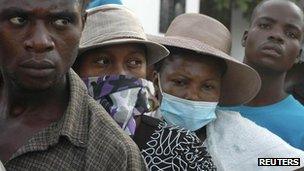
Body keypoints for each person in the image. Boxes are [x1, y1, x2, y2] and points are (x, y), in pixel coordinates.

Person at [139, 13, 304, 171]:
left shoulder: (241, 137)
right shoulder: (135, 131)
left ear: (220, 90)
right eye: (180, 82)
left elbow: (291, 160)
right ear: (156, 80)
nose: (193, 96)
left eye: (207, 87)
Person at [0, 1, 146, 170]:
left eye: (62, 21)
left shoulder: (114, 154)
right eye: (19, 19)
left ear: (82, 25)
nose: (40, 42)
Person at [74, 4, 169, 135]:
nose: (120, 74)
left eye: (134, 62)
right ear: (76, 70)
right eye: (103, 61)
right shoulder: (52, 137)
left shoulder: (180, 145)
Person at [225, 0, 304, 150]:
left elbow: (291, 163)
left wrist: (266, 161)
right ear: (245, 38)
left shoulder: (302, 124)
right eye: (265, 25)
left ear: (298, 55)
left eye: (291, 34)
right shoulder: (203, 104)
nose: (276, 35)